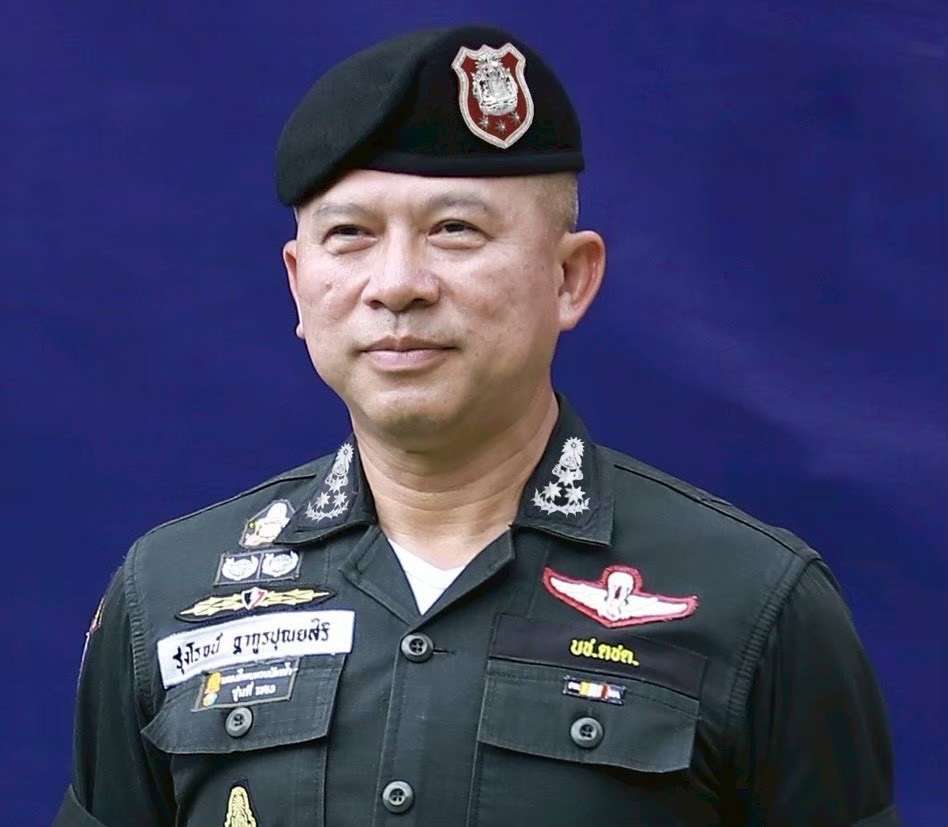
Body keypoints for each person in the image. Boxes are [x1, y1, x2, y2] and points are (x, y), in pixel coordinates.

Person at [55, 24, 900, 827]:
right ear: (298, 283)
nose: (397, 283)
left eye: (454, 230)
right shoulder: (169, 595)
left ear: (570, 277)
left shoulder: (757, 604)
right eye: (349, 234)